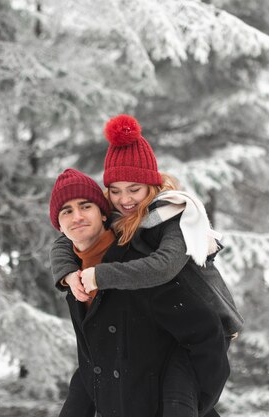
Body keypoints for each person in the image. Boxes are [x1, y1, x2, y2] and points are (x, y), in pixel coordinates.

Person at [49, 168, 229, 417]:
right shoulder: (75, 280)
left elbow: (205, 335)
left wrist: (184, 404)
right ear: (59, 225)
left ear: (104, 215)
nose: (77, 216)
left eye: (85, 206)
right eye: (66, 211)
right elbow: (93, 361)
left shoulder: (139, 266)